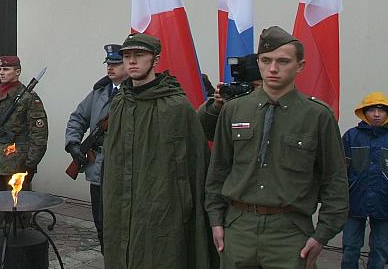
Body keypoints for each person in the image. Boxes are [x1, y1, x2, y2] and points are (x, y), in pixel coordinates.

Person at [205, 26, 349, 269]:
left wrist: (322, 234)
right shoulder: (234, 110)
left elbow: (335, 181)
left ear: (300, 66)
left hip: (290, 233)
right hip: (239, 229)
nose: (272, 69)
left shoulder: (317, 116)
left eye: (283, 61)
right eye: (266, 60)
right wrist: (216, 220)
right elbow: (218, 169)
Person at [101, 33, 212, 268]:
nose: (131, 61)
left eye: (139, 55)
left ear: (155, 59)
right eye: (127, 56)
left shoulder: (176, 106)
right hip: (121, 203)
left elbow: (195, 164)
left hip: (162, 206)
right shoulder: (120, 102)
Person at [65, 44, 127, 252]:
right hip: (97, 167)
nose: (111, 68)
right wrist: (73, 143)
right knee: (100, 222)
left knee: (121, 225)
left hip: (121, 168)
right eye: (109, 64)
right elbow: (78, 117)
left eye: (116, 64)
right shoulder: (100, 91)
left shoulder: (134, 93)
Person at [0, 55, 48, 191]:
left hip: (17, 163)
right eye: (0, 69)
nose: (1, 72)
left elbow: (39, 135)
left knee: (18, 207)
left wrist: (30, 164)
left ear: (17, 72)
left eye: (6, 69)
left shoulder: (28, 98)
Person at [341, 92, 388, 269]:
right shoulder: (351, 136)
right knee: (350, 247)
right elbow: (340, 171)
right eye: (372, 110)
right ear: (363, 112)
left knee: (381, 249)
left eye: (381, 110)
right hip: (354, 200)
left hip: (384, 201)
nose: (376, 114)